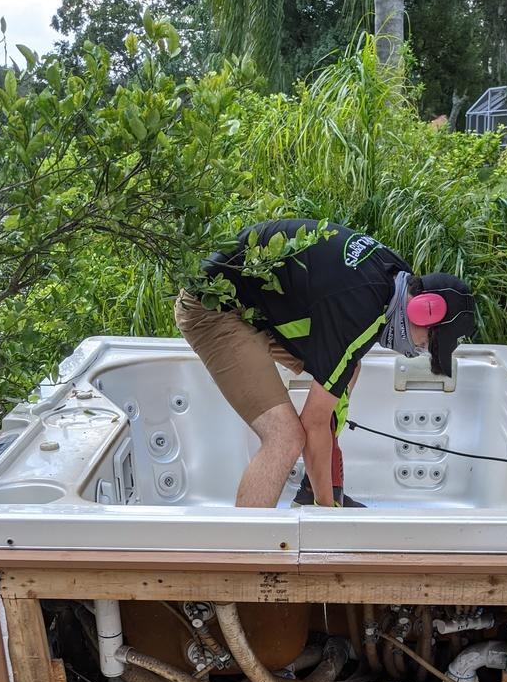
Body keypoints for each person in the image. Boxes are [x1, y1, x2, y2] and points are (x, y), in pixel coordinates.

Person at [175, 218, 475, 508]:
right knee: (286, 437)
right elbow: (314, 422)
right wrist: (327, 512)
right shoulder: (361, 309)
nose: (422, 349)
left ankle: (313, 488)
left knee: (348, 369)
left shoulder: (393, 280)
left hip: (258, 306)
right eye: (431, 342)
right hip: (213, 308)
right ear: (424, 310)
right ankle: (245, 554)